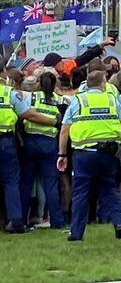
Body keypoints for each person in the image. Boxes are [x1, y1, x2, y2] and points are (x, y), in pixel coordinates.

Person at [57, 70, 121, 241]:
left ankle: (76, 233)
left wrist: (62, 154)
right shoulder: (112, 99)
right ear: (103, 83)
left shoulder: (78, 100)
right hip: (108, 153)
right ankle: (119, 223)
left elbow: (64, 130)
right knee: (110, 189)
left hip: (83, 154)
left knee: (81, 193)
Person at [20, 72, 67, 230]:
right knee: (51, 184)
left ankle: (21, 221)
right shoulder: (59, 100)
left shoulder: (31, 97)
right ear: (55, 85)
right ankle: (57, 221)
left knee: (26, 183)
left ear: (39, 83)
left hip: (31, 141)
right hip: (49, 144)